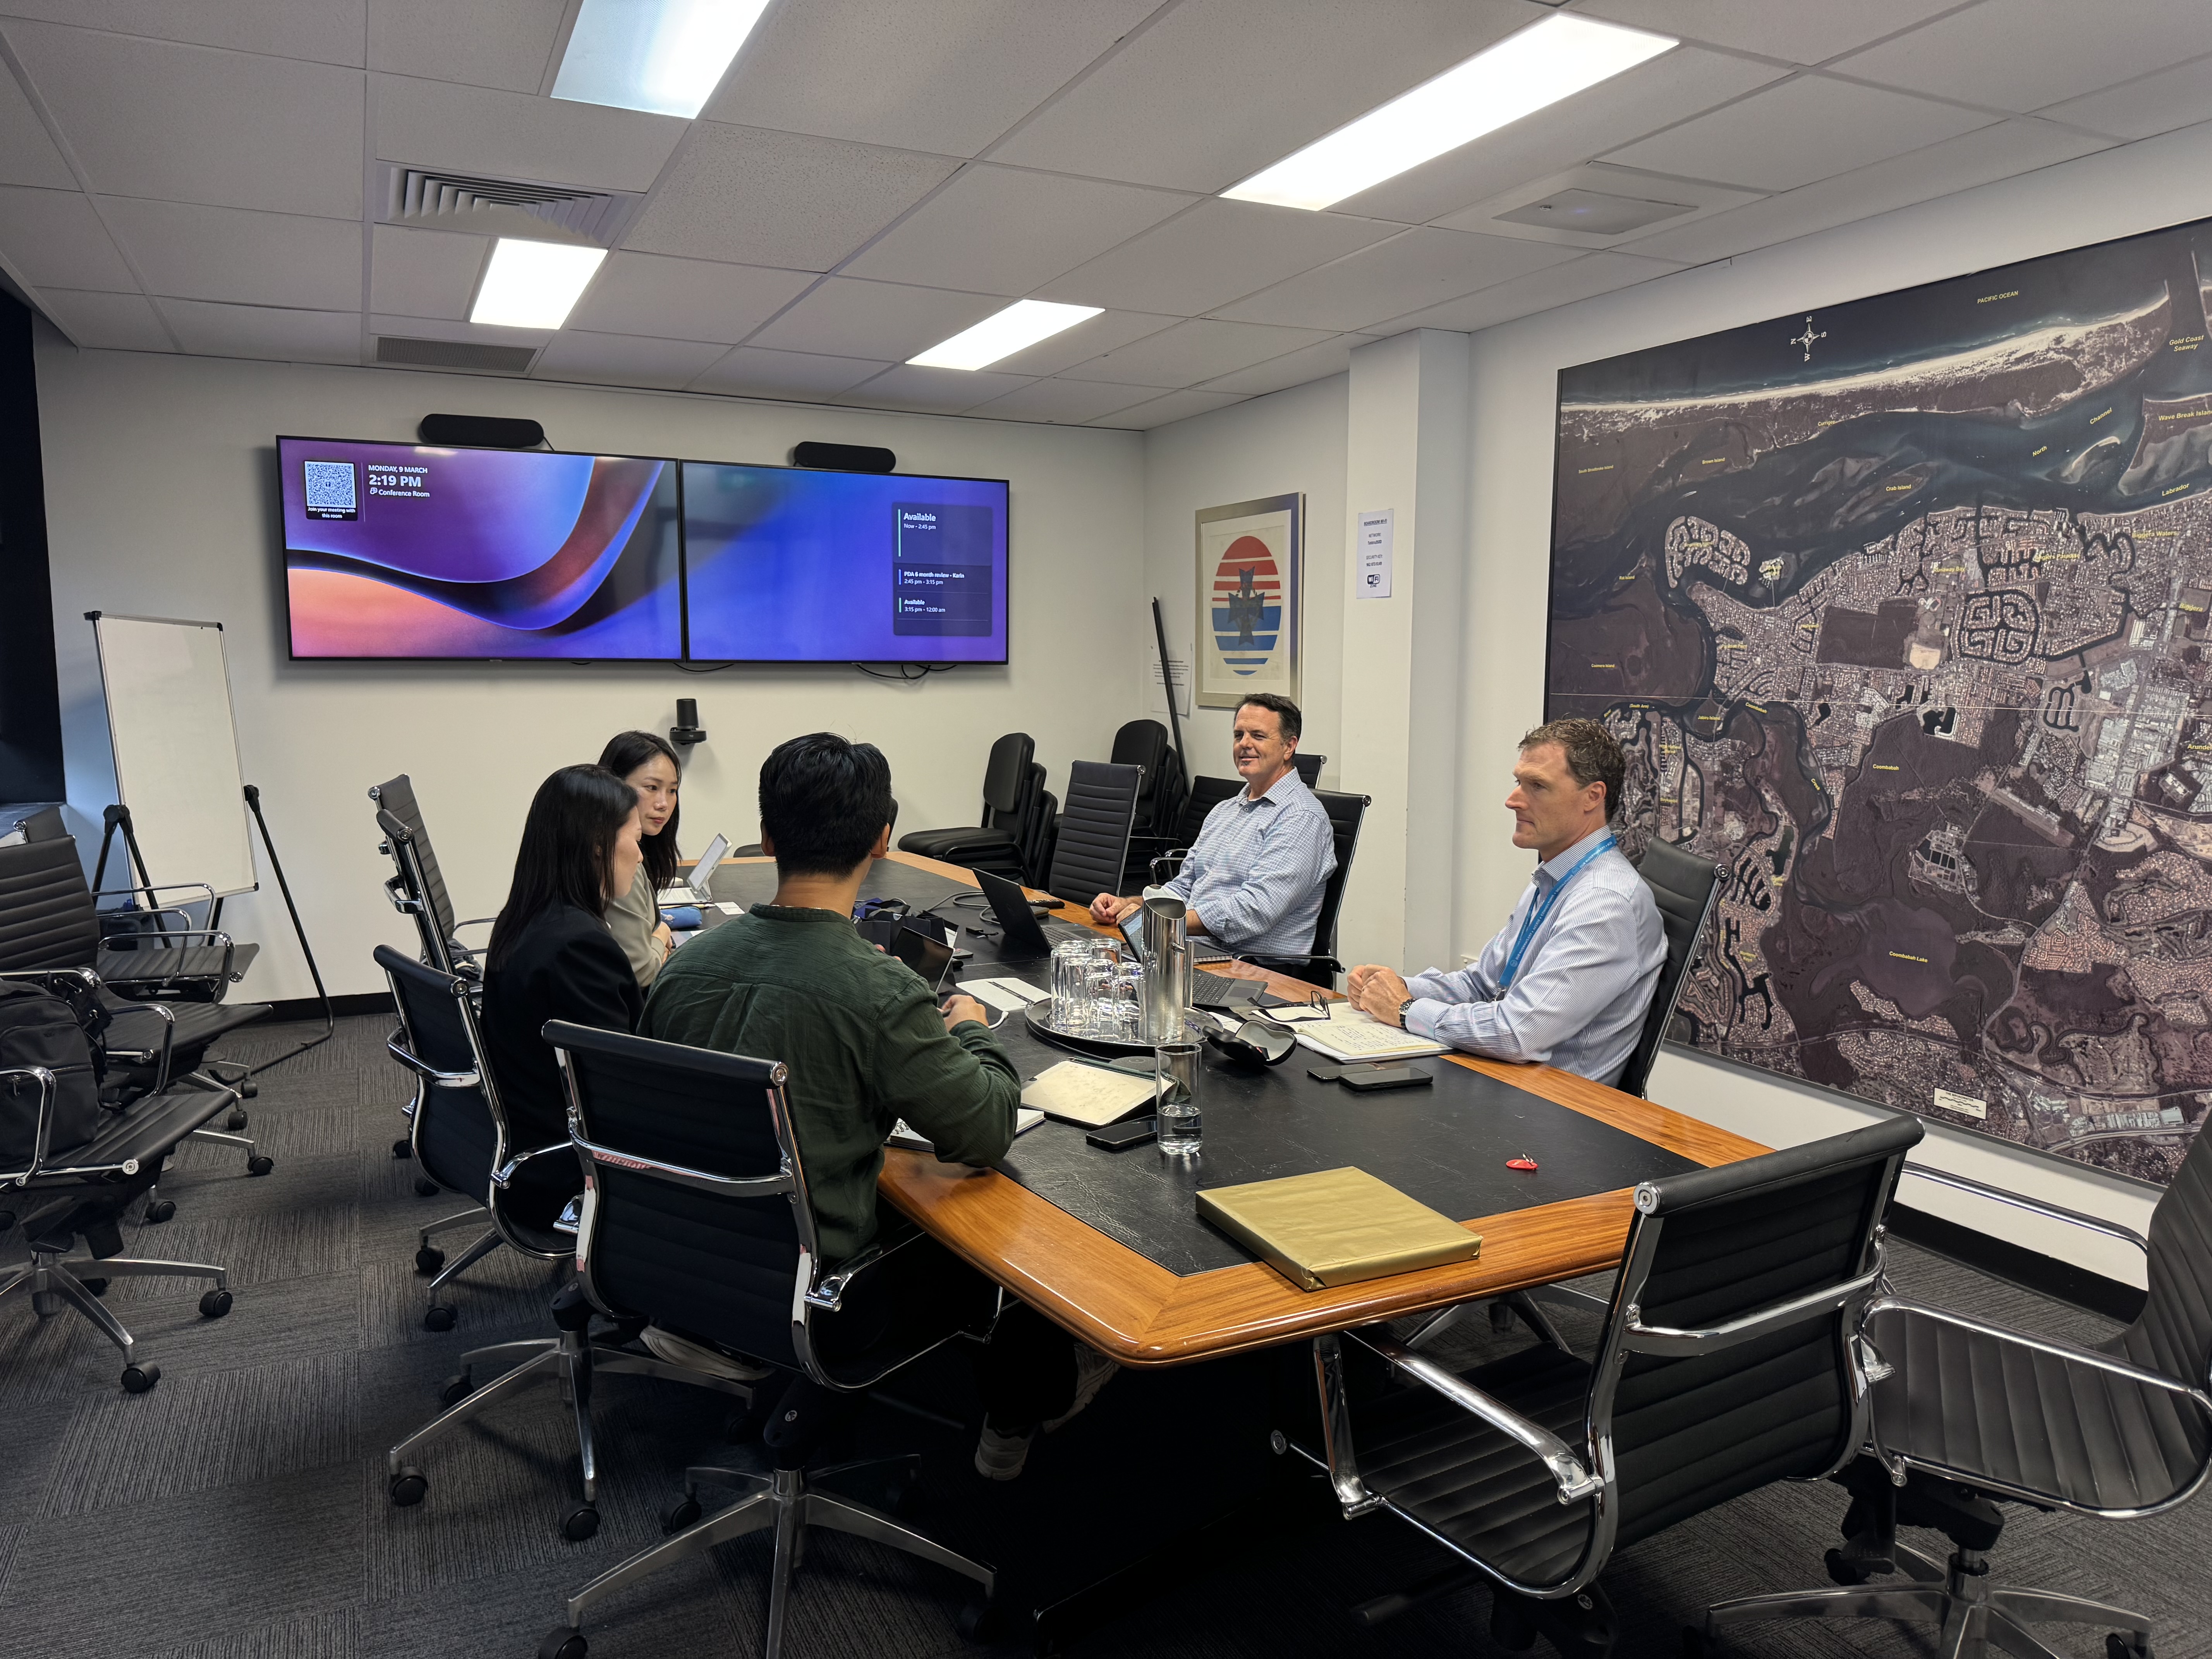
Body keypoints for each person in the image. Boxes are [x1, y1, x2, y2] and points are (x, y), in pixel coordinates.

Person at [644, 732, 1117, 1479]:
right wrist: (970, 1028)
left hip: (685, 1256)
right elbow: (985, 1130)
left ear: (768, 837)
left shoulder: (683, 968)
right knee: (1006, 1223)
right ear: (881, 839)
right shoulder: (879, 990)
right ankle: (1024, 1397)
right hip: (829, 1292)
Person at [1345, 718, 1664, 1088]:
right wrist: (1395, 987)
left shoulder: (1605, 904)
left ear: (1593, 797)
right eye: (1519, 783)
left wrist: (1404, 1009)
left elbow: (1517, 1034)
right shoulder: (1557, 877)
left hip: (1547, 1108)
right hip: (1503, 1083)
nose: (1513, 800)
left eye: (1537, 786)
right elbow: (1484, 984)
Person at [479, 764, 646, 1227]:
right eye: (635, 839)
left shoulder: (527, 915)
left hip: (530, 1138)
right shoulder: (579, 945)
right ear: (599, 846)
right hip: (567, 1169)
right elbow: (618, 1089)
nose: (640, 855)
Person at [1087, 692, 1336, 959]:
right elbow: (1185, 887)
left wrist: (1159, 920)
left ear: (1289, 746)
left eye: (1258, 736)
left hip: (1250, 968)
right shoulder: (1225, 810)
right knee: (1090, 959)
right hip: (1189, 950)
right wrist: (1130, 904)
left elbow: (1255, 910)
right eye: (1239, 735)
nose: (1245, 744)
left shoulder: (1301, 818)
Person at [597, 729, 682, 989]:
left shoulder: (635, 850)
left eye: (672, 791)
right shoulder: (616, 863)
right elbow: (641, 972)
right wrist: (662, 933)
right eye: (652, 788)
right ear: (615, 786)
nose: (664, 803)